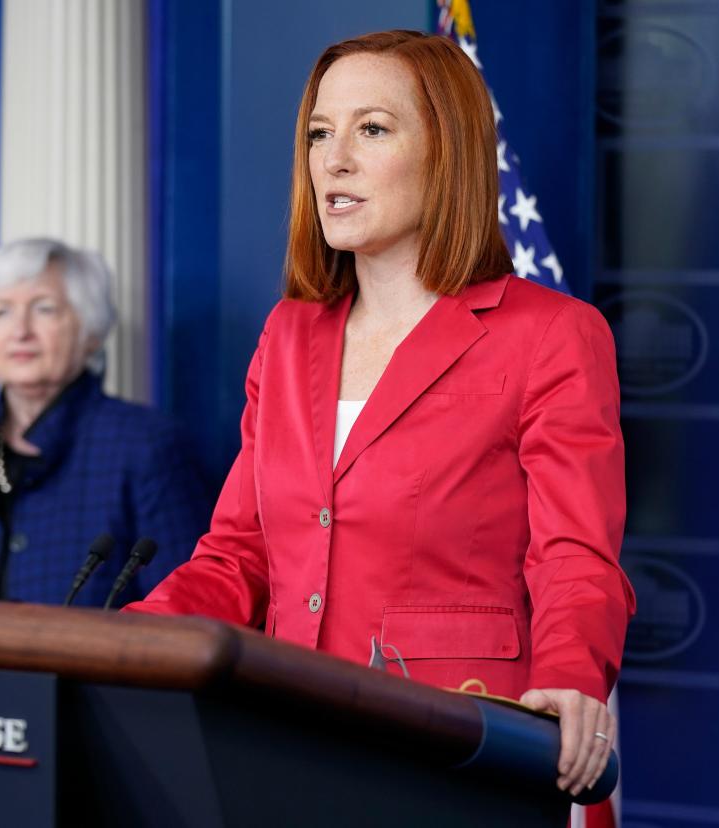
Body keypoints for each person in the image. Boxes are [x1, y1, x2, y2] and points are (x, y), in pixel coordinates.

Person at [124, 30, 635, 798]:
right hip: (288, 732)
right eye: (319, 134)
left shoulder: (551, 335)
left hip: (458, 740)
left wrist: (570, 674)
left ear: (449, 151)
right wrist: (127, 639)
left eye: (372, 128)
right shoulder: (289, 335)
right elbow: (240, 555)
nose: (334, 160)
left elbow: (573, 553)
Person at [0, 238, 211, 607]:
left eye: (44, 309)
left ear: (91, 333)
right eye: (1, 312)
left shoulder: (147, 447)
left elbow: (186, 615)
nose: (20, 331)